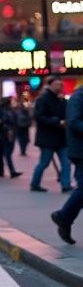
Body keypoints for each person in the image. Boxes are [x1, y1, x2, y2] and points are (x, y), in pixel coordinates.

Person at [51, 83, 83, 244]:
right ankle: (63, 217)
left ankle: (64, 217)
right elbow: (74, 122)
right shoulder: (78, 97)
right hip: (80, 151)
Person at [30, 77, 71, 192]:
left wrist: (63, 103)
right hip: (47, 138)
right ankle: (35, 183)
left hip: (61, 137)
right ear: (50, 85)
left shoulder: (61, 100)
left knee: (66, 162)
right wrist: (57, 121)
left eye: (61, 85)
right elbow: (39, 117)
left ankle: (66, 185)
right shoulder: (42, 99)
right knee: (44, 162)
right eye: (57, 85)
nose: (60, 87)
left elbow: (66, 113)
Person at [0, 98, 22, 178]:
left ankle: (2, 171)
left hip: (11, 133)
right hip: (6, 134)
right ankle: (12, 171)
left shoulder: (11, 110)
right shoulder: (4, 111)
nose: (14, 102)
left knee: (6, 153)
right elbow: (3, 121)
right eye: (13, 101)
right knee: (7, 153)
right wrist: (8, 128)